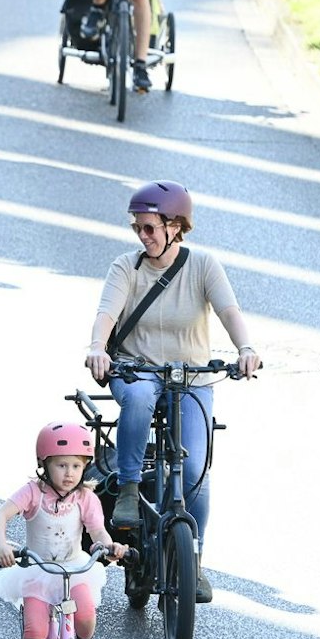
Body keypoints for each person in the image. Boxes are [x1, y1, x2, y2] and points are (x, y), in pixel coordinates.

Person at [83, 182, 260, 594]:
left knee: (195, 471)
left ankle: (194, 560)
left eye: (149, 228)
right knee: (139, 397)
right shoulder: (125, 267)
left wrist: (246, 348)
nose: (142, 236)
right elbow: (106, 314)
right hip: (136, 370)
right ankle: (129, 489)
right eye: (137, 228)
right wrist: (97, 348)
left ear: (175, 226)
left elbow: (229, 311)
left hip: (191, 377)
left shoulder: (203, 266)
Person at [0, 423, 126, 639]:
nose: (69, 473)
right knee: (35, 632)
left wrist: (108, 546)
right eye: (61, 465)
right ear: (45, 464)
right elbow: (0, 516)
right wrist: (2, 545)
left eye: (76, 466)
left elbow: (97, 531)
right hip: (37, 572)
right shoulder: (33, 493)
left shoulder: (85, 498)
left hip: (74, 568)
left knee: (86, 613)